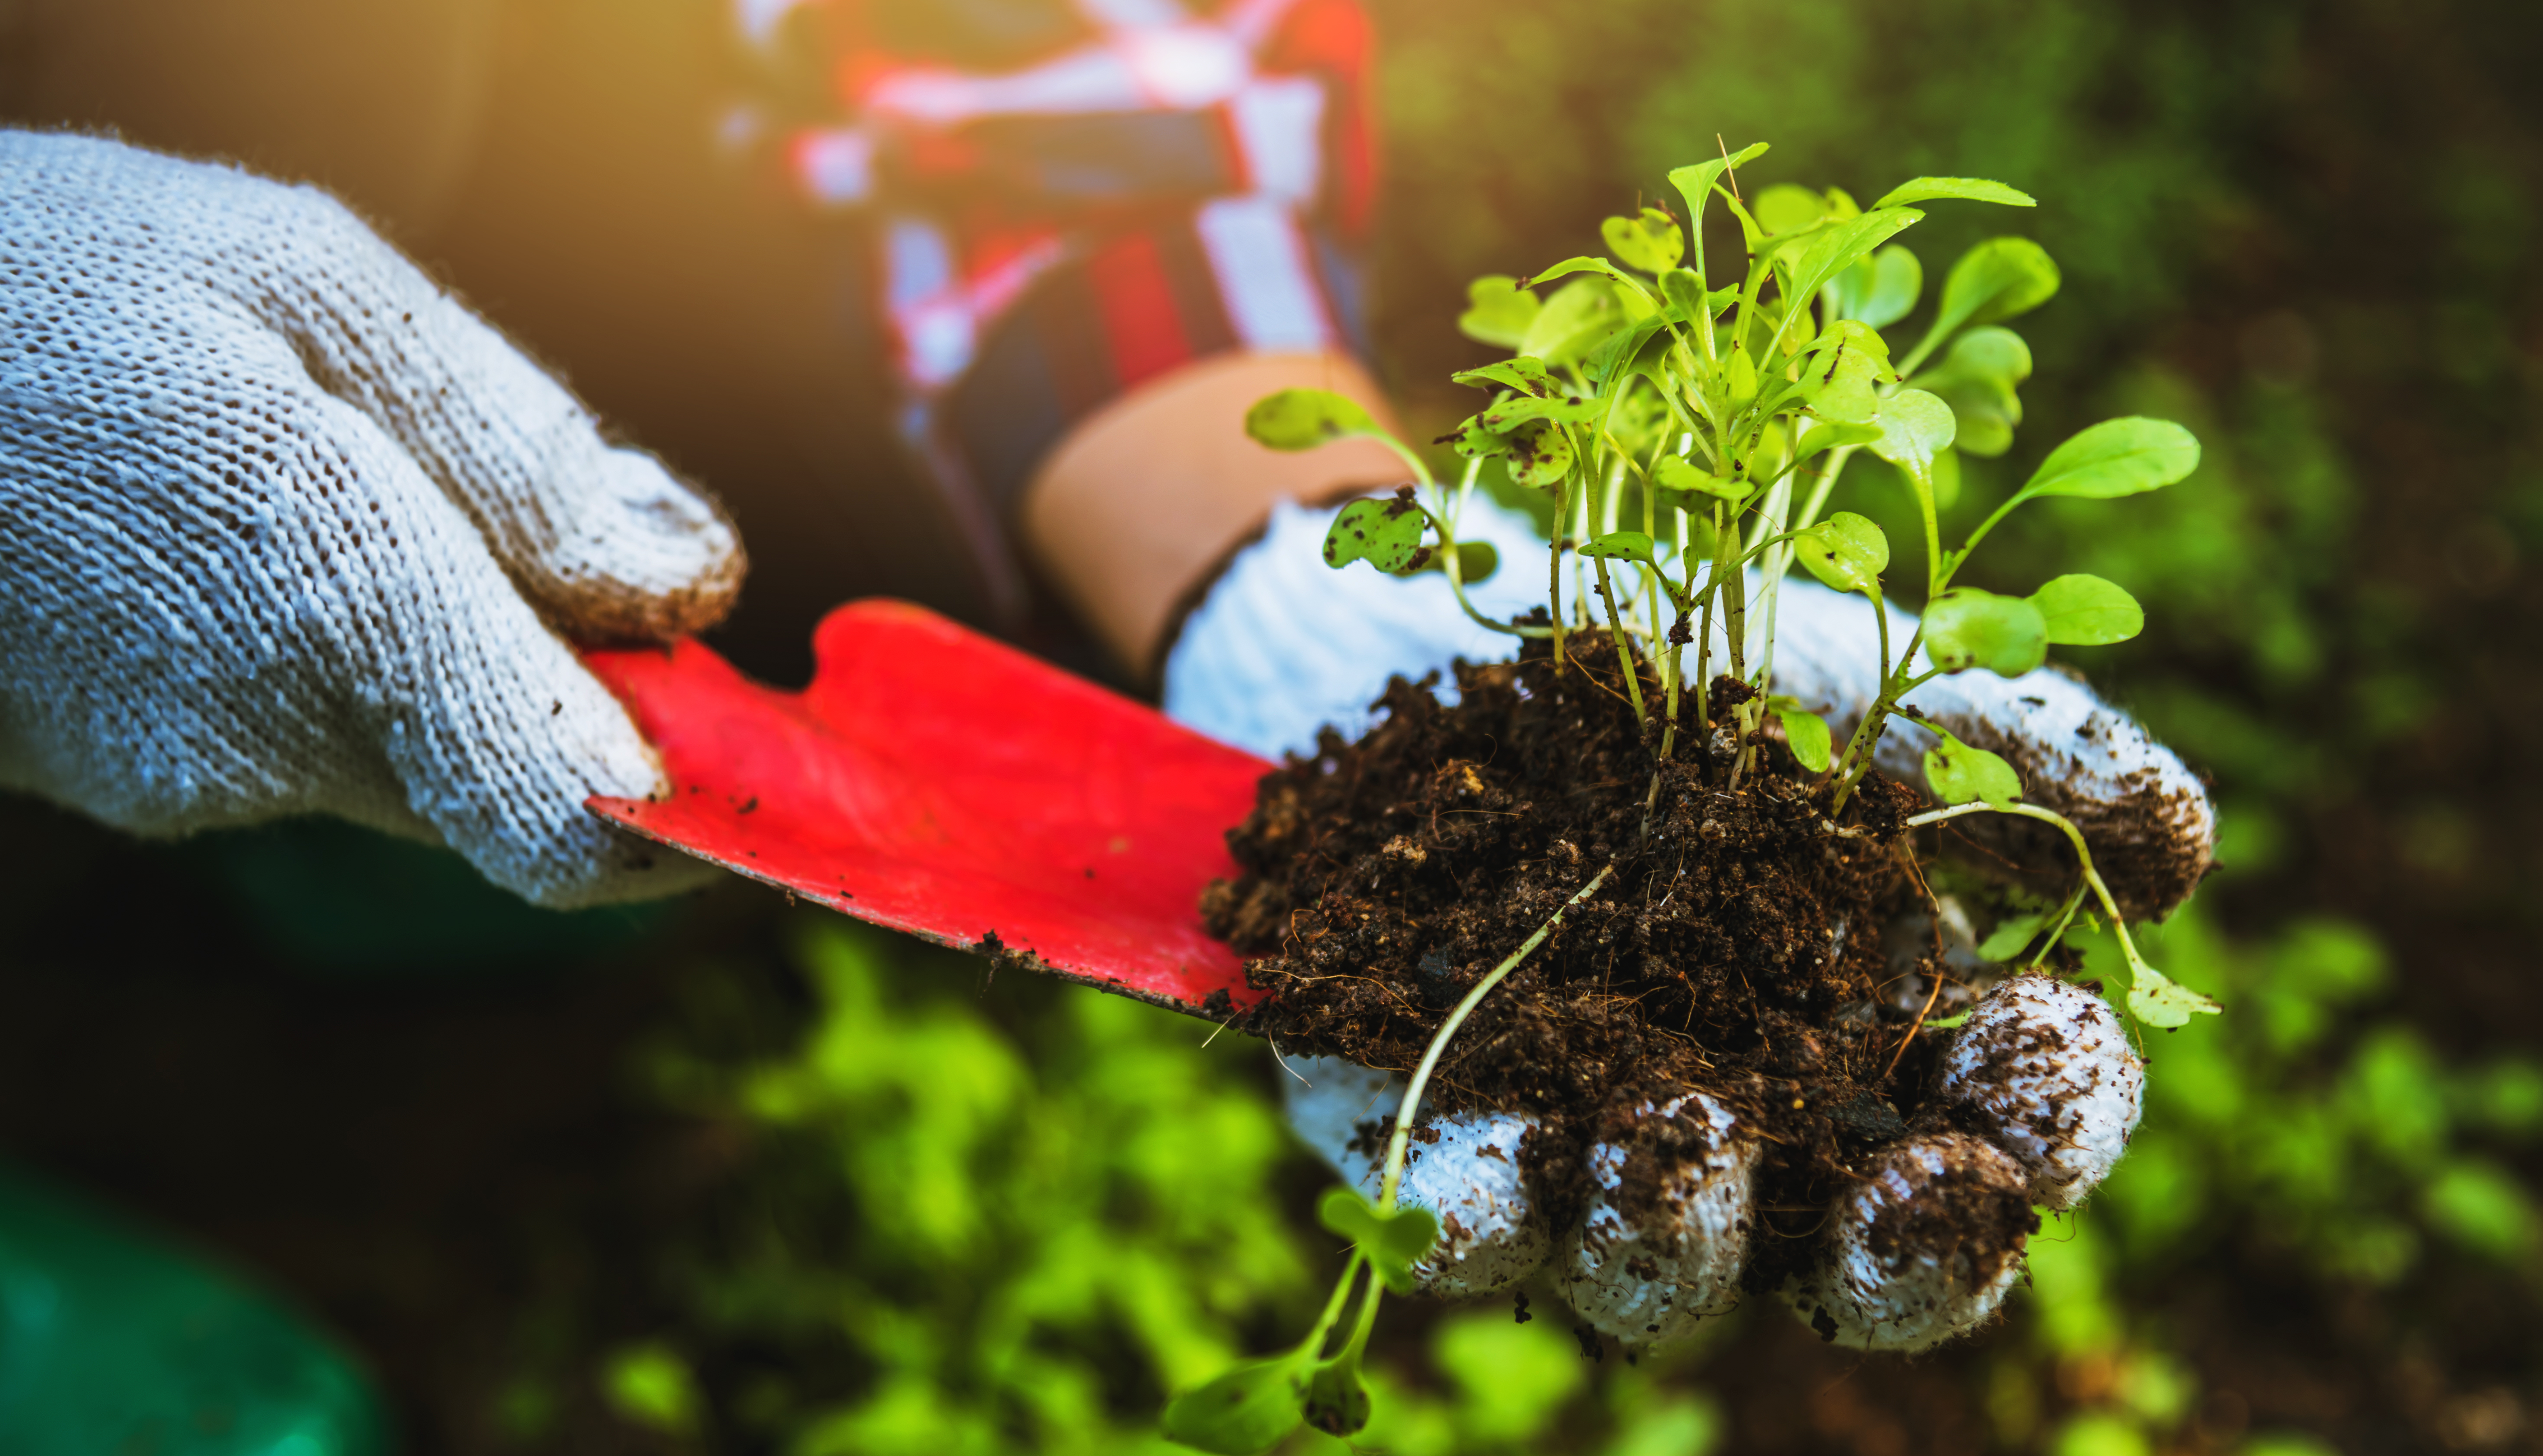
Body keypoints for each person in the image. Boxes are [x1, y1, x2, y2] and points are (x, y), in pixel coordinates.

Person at [0, 0, 2214, 1446]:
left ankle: (376, 871)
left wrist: (1261, 544)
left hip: (524, 186)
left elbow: (1044, 73)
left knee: (564, 713)